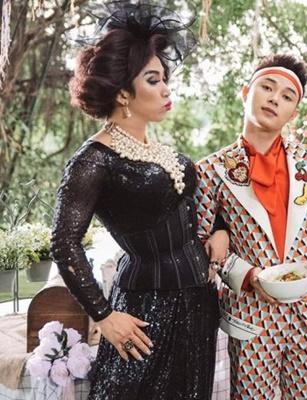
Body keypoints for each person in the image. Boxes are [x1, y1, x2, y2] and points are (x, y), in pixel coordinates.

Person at [50, 3, 228, 399]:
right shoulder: (94, 160)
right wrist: (104, 315)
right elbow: (63, 242)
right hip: (146, 313)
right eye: (153, 79)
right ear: (122, 93)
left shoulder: (159, 149)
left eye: (164, 78)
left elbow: (191, 209)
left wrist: (219, 231)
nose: (166, 89)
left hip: (199, 306)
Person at [195, 54, 307, 399]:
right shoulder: (210, 170)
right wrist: (246, 275)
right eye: (267, 88)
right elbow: (199, 245)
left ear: (293, 113)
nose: (274, 99)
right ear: (245, 92)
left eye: (286, 96)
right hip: (251, 316)